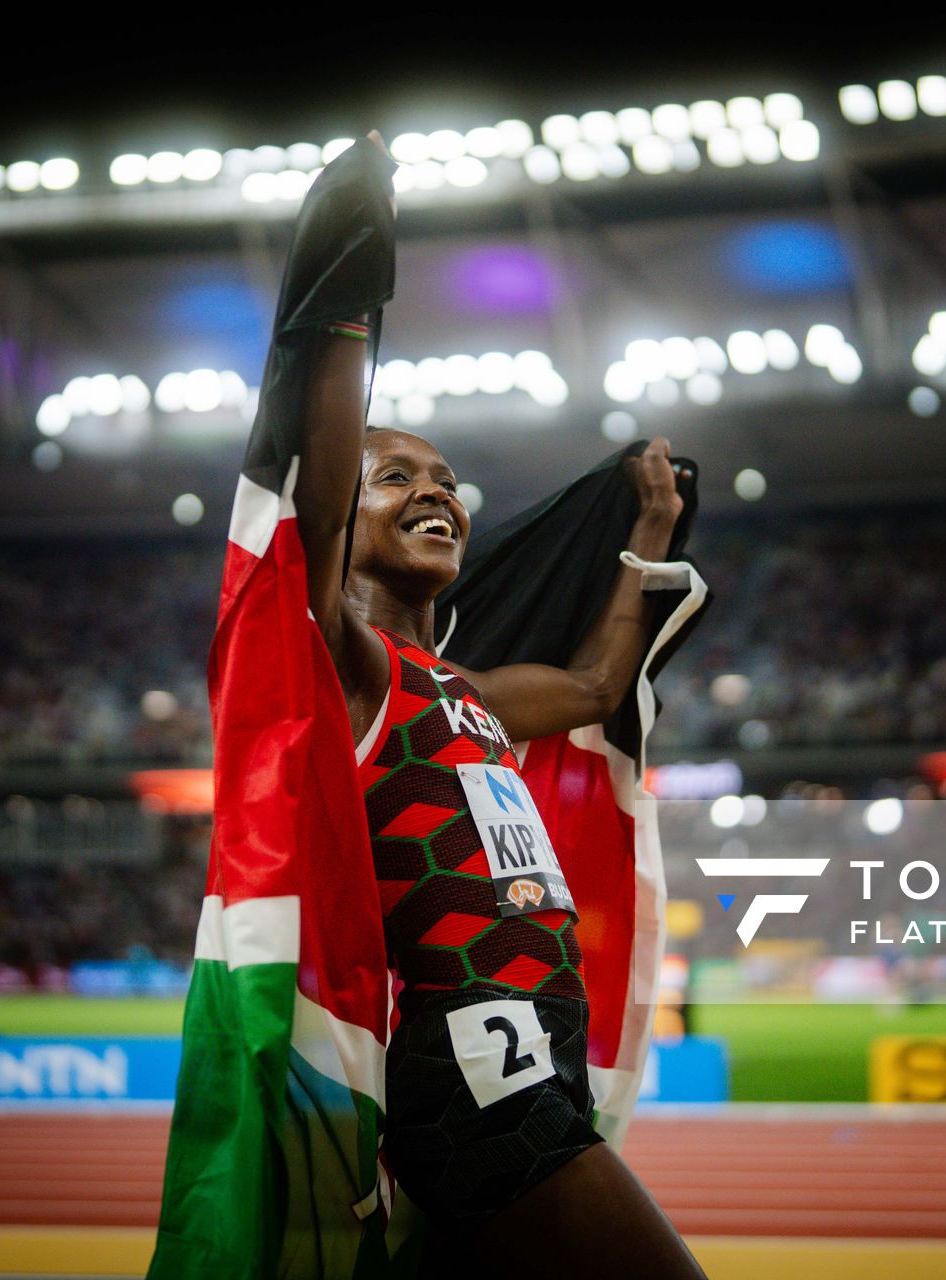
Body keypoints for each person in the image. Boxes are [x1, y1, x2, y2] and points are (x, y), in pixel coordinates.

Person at [290, 134, 706, 1279]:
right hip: (476, 1071)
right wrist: (344, 310)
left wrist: (649, 542)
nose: (433, 491)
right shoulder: (352, 668)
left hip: (536, 1051)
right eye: (396, 478)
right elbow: (312, 506)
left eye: (444, 481)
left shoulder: (459, 692)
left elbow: (590, 689)